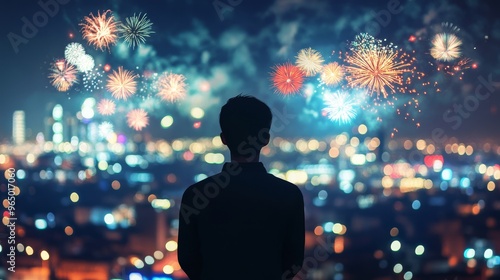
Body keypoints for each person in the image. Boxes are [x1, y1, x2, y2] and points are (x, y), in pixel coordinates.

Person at [178, 94, 305, 280]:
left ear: (224, 139)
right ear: (265, 139)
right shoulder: (289, 195)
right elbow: (294, 260)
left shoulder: (195, 195)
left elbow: (188, 258)